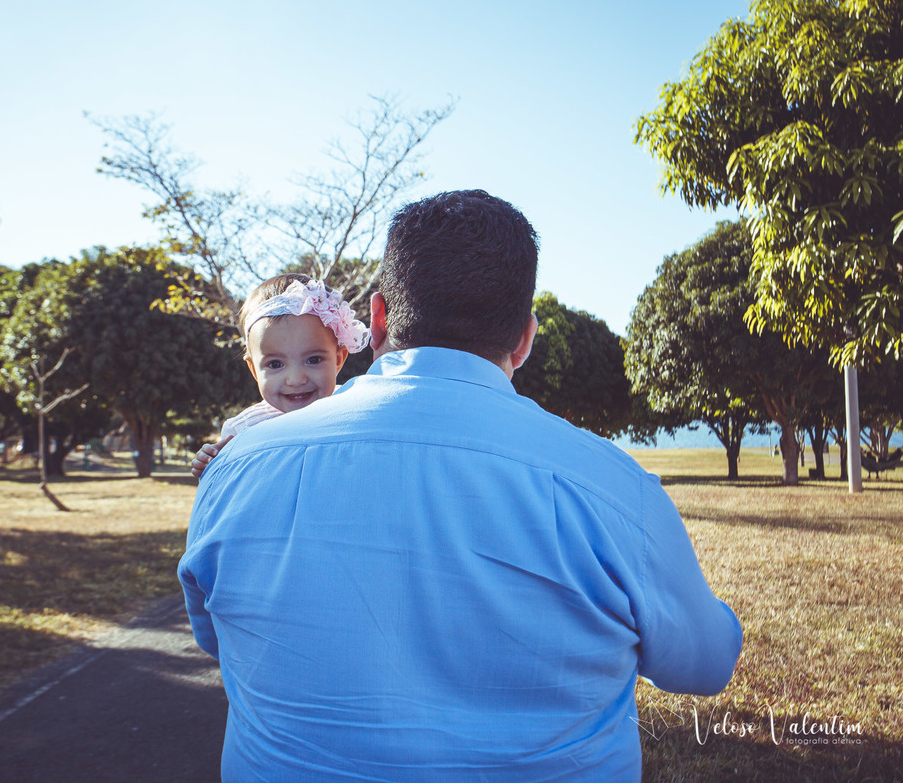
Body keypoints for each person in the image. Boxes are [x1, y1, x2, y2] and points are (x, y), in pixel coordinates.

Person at [178, 190, 742, 781]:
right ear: (524, 338)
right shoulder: (615, 489)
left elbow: (219, 637)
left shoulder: (233, 471)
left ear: (377, 320)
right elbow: (704, 665)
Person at [190, 273, 370, 477]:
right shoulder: (242, 430)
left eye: (313, 360)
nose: (296, 379)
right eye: (275, 364)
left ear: (338, 359)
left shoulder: (351, 411)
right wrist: (210, 464)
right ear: (254, 370)